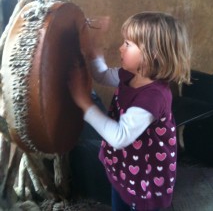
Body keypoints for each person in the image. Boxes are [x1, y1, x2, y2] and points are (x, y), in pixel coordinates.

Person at [68, 11, 191, 211]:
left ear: (153, 54)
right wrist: (93, 49)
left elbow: (120, 137)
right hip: (126, 167)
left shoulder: (153, 96)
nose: (120, 48)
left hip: (145, 179)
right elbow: (101, 75)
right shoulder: (131, 75)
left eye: (128, 44)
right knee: (120, 197)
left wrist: (85, 104)